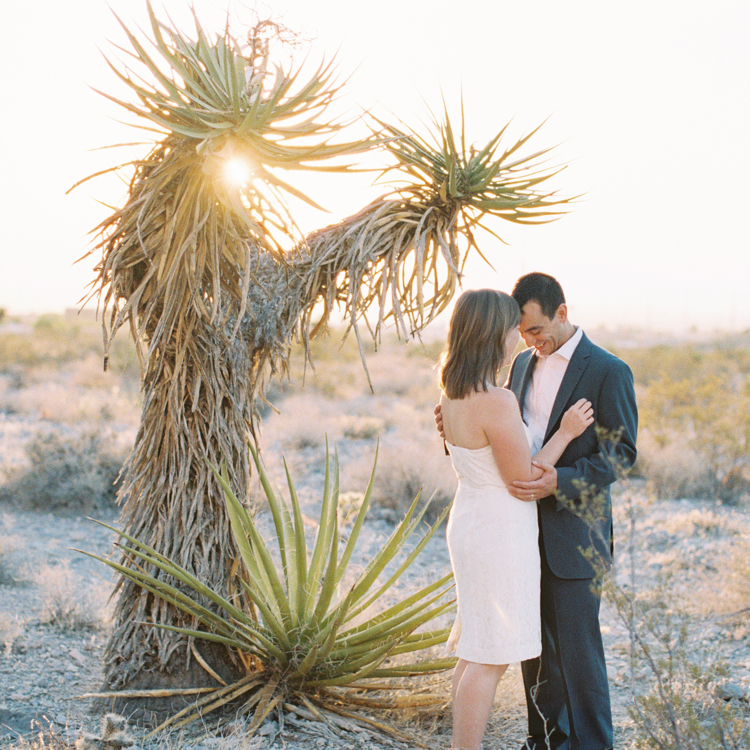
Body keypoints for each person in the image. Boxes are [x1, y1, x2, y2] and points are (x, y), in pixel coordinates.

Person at [438, 273, 638, 750]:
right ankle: (544, 741)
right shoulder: (518, 368)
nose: (529, 341)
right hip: (513, 530)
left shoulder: (609, 371)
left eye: (535, 330)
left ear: (561, 314)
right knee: (531, 652)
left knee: (577, 654)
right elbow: (497, 440)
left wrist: (560, 480)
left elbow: (622, 453)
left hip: (569, 531)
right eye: (521, 332)